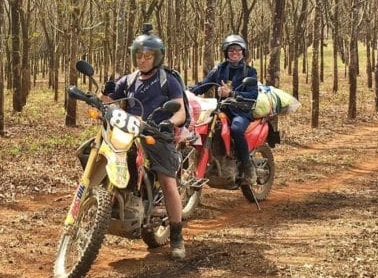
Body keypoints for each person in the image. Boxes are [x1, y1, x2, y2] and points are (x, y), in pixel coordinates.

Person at [102, 25, 189, 260]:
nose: (142, 60)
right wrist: (105, 94)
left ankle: (177, 238)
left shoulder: (168, 80)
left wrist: (168, 122)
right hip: (128, 134)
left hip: (157, 135)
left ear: (157, 57)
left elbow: (180, 112)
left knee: (168, 182)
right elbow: (109, 102)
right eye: (139, 55)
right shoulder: (128, 80)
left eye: (148, 56)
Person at [189, 34, 261, 186]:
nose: (234, 53)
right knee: (203, 127)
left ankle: (248, 166)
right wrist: (187, 92)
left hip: (241, 111)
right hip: (221, 110)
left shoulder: (249, 72)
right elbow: (205, 84)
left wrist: (232, 94)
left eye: (237, 50)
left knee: (235, 129)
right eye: (231, 50)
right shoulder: (219, 69)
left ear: (243, 52)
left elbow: (253, 94)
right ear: (226, 53)